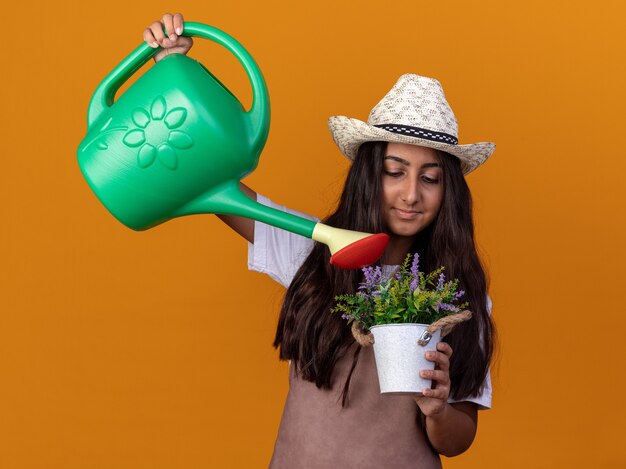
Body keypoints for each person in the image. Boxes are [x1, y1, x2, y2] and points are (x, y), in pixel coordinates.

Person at [143, 13, 496, 469]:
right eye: (395, 173)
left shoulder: (460, 292)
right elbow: (214, 187)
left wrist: (438, 409)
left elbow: (458, 438)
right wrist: (173, 74)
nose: (411, 194)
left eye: (430, 178)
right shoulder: (314, 248)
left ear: (448, 192)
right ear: (370, 177)